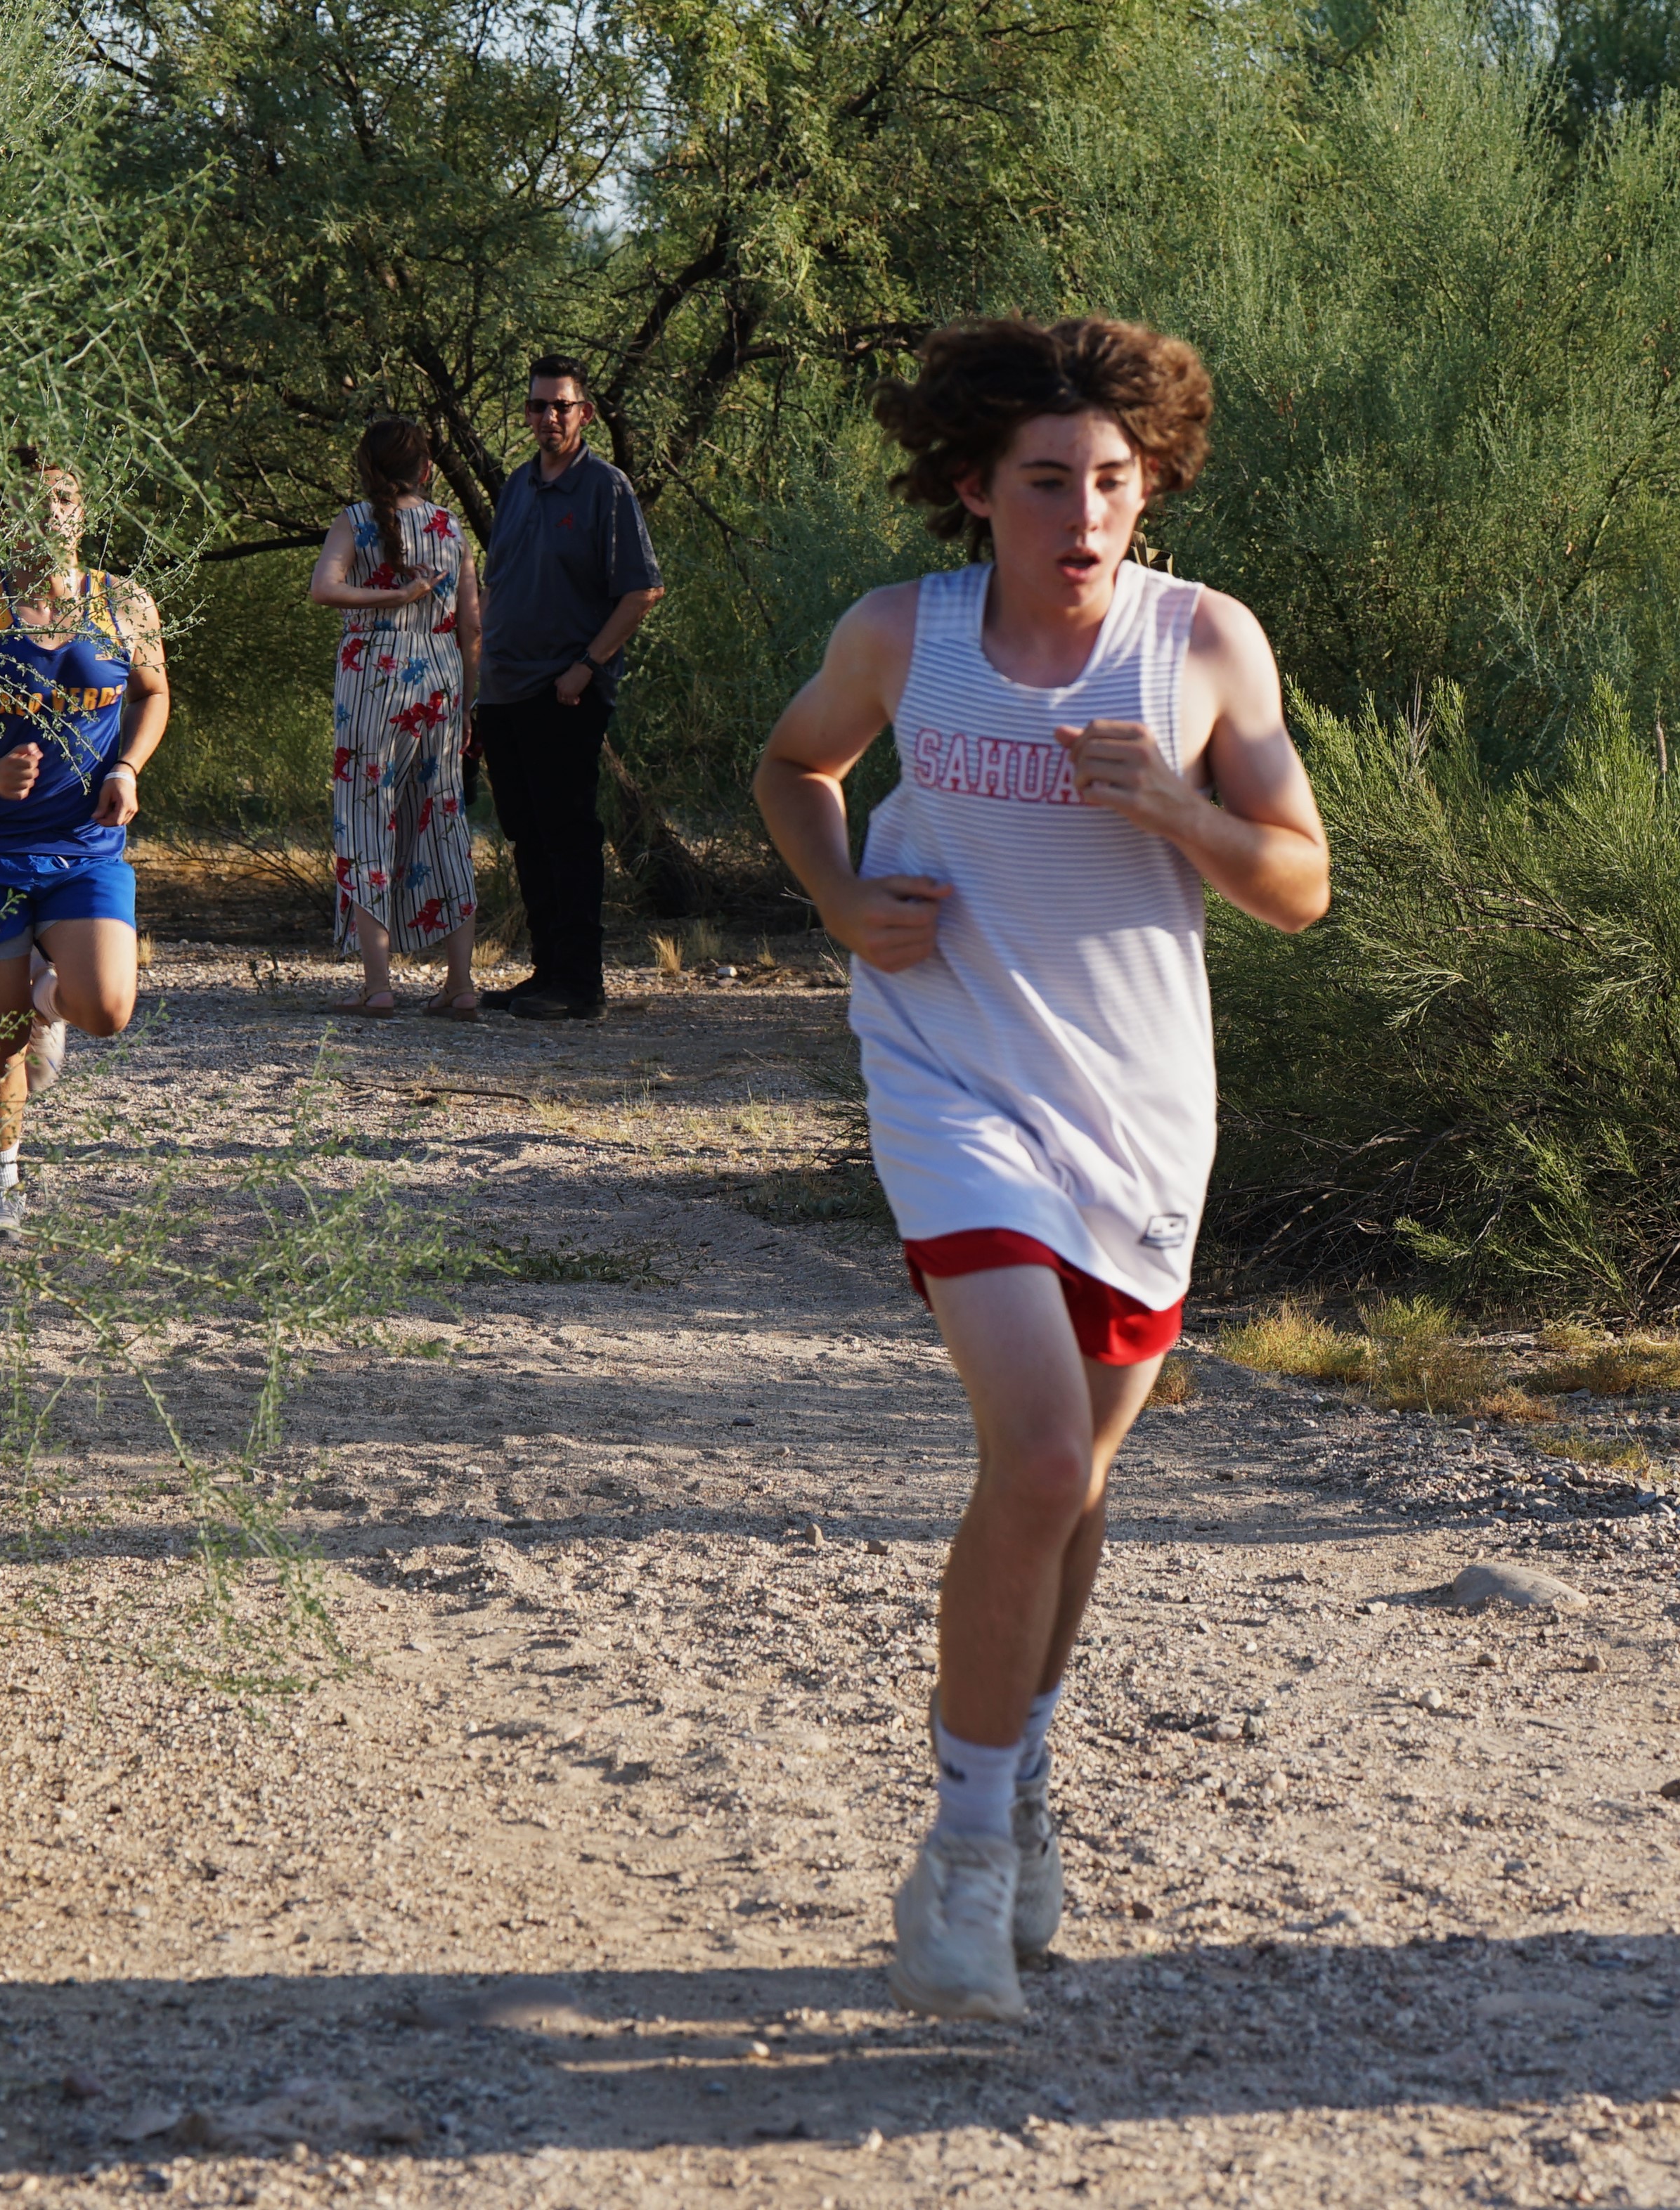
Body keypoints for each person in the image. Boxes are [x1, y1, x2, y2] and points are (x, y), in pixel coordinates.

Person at [752, 318, 1329, 2020]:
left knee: (1075, 1487)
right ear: (972, 492)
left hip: (1141, 1107)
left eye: (1114, 485)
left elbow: (1298, 883)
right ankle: (962, 1861)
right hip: (950, 1077)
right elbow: (797, 769)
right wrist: (846, 901)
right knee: (1041, 1449)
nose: (1084, 517)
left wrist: (1181, 811)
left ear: (1150, 493)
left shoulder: (1203, 645)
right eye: (1047, 484)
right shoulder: (901, 637)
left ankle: (1017, 1773)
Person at [0, 451, 169, 1239]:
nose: (49, 514)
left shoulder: (124, 604)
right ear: (4, 519)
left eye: (61, 498)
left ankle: (48, 1001)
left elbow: (152, 692)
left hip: (84, 844)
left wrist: (126, 764)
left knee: (106, 1009)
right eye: (31, 502)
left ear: (82, 511)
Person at [473, 356, 664, 1021]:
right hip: (502, 690)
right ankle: (547, 972)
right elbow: (497, 588)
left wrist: (587, 664)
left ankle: (581, 982)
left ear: (585, 412)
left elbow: (641, 590)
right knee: (526, 834)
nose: (548, 418)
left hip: (564, 692)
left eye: (561, 406)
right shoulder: (519, 486)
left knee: (568, 833)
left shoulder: (605, 489)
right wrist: (477, 678)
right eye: (537, 406)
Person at [308, 417, 483, 1017]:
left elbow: (323, 590)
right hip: (439, 681)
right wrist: (466, 703)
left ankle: (378, 986)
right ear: (426, 469)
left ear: (367, 467)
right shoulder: (449, 527)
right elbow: (472, 626)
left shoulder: (354, 521)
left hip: (370, 682)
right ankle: (460, 985)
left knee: (365, 821)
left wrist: (389, 599)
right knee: (443, 820)